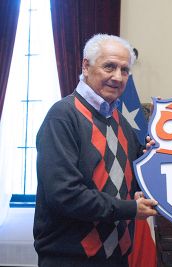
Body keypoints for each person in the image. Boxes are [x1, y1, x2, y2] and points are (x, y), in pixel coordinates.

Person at [33, 34, 158, 267]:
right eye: (109, 66)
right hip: (70, 260)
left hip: (117, 258)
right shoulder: (63, 116)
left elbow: (128, 182)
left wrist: (151, 159)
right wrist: (130, 209)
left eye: (124, 70)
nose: (117, 77)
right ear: (86, 66)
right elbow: (65, 195)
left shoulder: (121, 122)